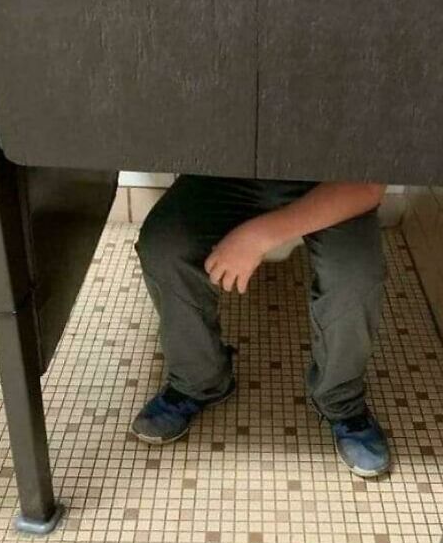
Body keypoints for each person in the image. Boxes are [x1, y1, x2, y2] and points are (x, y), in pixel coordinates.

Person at [130, 175, 390, 477]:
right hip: (226, 177)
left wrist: (257, 236)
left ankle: (341, 402)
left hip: (332, 184)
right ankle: (197, 381)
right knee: (164, 247)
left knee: (355, 275)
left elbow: (367, 186)